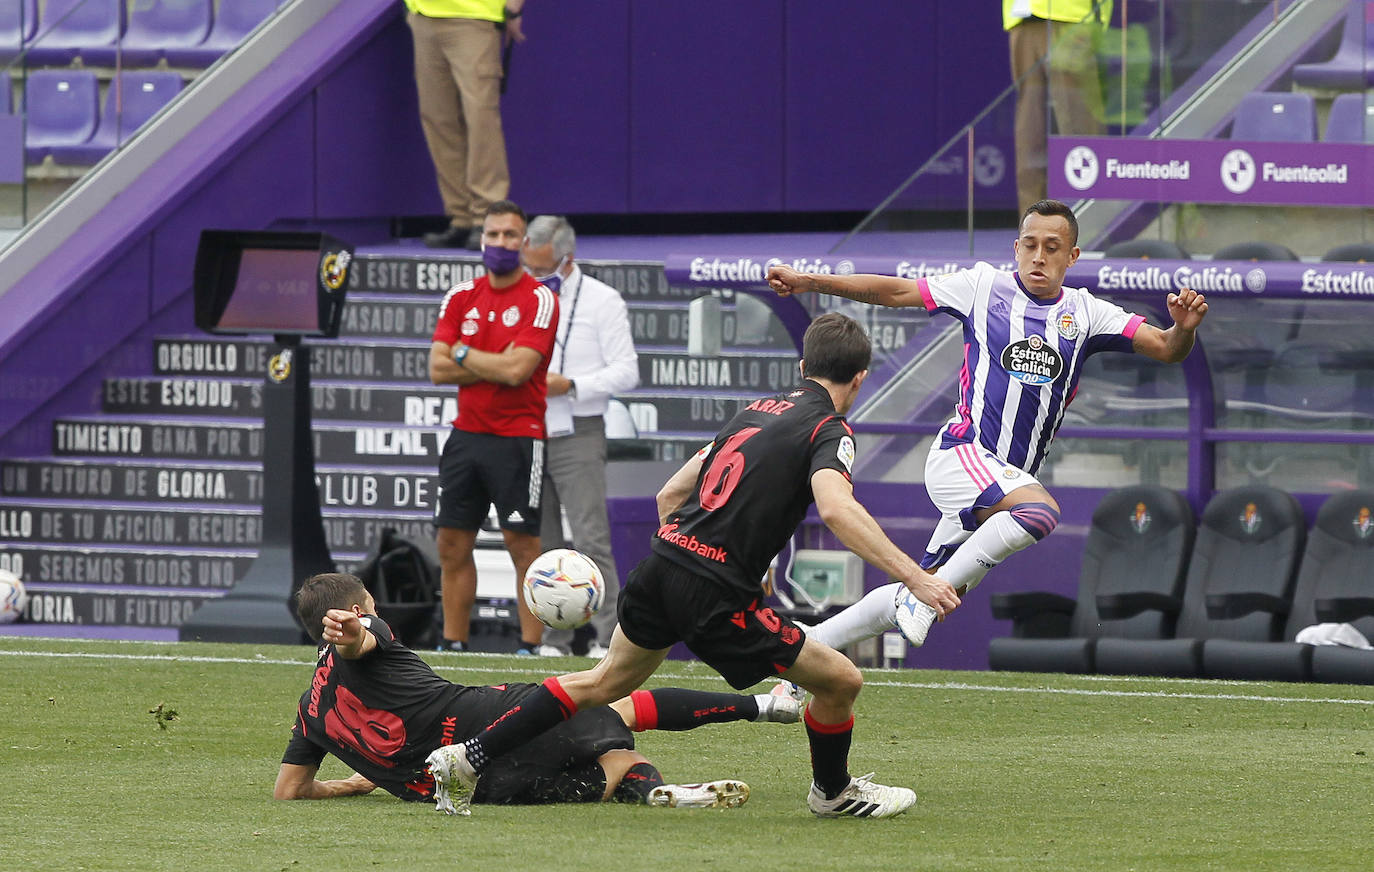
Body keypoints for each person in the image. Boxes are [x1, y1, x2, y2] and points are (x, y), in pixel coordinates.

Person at [422, 313, 963, 819]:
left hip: (661, 566)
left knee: (602, 680)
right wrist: (916, 577)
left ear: (803, 367)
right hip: (714, 593)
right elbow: (837, 510)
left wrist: (695, 559)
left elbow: (670, 494)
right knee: (841, 681)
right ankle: (833, 793)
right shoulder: (829, 429)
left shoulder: (754, 412)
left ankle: (467, 757)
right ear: (860, 378)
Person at [764, 199, 1208, 660]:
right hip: (963, 456)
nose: (1039, 257)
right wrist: (810, 282)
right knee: (1039, 513)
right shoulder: (982, 287)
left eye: (1052, 248)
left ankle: (805, 648)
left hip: (1001, 486)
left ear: (1073, 256)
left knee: (926, 588)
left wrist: (1184, 329)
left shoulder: (1087, 313)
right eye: (1030, 245)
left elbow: (1166, 347)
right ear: (1016, 248)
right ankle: (915, 602)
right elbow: (896, 291)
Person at [274, 573, 800, 812]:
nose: (376, 613)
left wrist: (352, 785)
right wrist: (356, 631)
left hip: (467, 791)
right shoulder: (368, 634)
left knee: (619, 766)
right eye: (371, 605)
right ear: (358, 609)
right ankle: (767, 705)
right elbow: (362, 640)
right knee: (616, 705)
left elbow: (289, 791)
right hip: (488, 721)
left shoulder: (308, 713)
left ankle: (658, 795)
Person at [429, 200, 557, 654]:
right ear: (482, 239)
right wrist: (492, 362)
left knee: (522, 545)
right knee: (451, 542)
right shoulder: (460, 296)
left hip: (518, 436)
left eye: (509, 235)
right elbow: (437, 369)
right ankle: (453, 643)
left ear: (524, 242)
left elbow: (517, 371)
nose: (501, 242)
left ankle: (529, 647)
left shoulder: (540, 298)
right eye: (493, 234)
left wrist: (464, 353)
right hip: (466, 434)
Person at [521, 216, 640, 658]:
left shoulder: (601, 300)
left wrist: (571, 385)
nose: (532, 275)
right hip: (527, 427)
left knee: (590, 539)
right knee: (541, 541)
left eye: (540, 268)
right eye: (528, 266)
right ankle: (552, 639)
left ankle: (608, 638)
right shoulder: (521, 294)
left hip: (578, 428)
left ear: (566, 260)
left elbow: (627, 371)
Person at [404, 0, 525, 250]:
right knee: (438, 120)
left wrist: (514, 8)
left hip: (474, 17)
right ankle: (461, 218)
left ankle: (488, 217)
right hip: (423, 15)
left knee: (481, 120)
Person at [1005, 0, 1109, 214]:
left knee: (1079, 126)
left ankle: (1086, 219)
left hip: (1072, 16)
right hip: (1023, 15)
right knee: (1030, 130)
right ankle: (1033, 225)